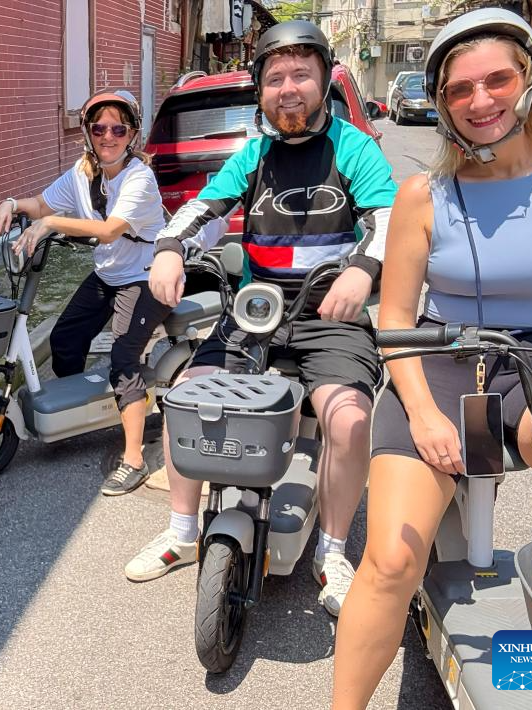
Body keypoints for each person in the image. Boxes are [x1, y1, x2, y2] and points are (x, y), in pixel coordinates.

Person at [332, 9, 532, 706]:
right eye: (460, 88)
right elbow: (395, 323)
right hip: (434, 362)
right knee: (391, 560)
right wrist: (425, 415)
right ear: (441, 103)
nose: (481, 100)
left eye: (498, 79)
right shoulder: (424, 195)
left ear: (530, 78)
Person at [125, 20, 397, 619]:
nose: (288, 89)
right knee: (186, 396)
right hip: (256, 311)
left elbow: (386, 218)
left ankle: (331, 552)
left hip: (330, 315)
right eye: (275, 78)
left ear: (323, 81)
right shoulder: (253, 156)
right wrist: (168, 248)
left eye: (301, 74)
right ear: (261, 91)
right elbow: (203, 209)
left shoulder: (355, 148)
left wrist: (362, 270)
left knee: (349, 420)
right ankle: (181, 530)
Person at [0, 89, 174, 495]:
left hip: (145, 277)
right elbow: (41, 204)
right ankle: (83, 414)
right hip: (109, 275)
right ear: (87, 133)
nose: (108, 136)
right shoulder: (83, 173)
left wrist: (52, 224)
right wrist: (11, 203)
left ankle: (134, 460)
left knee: (123, 359)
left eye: (118, 129)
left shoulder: (139, 178)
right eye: (99, 128)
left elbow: (109, 230)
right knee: (65, 338)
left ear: (132, 134)